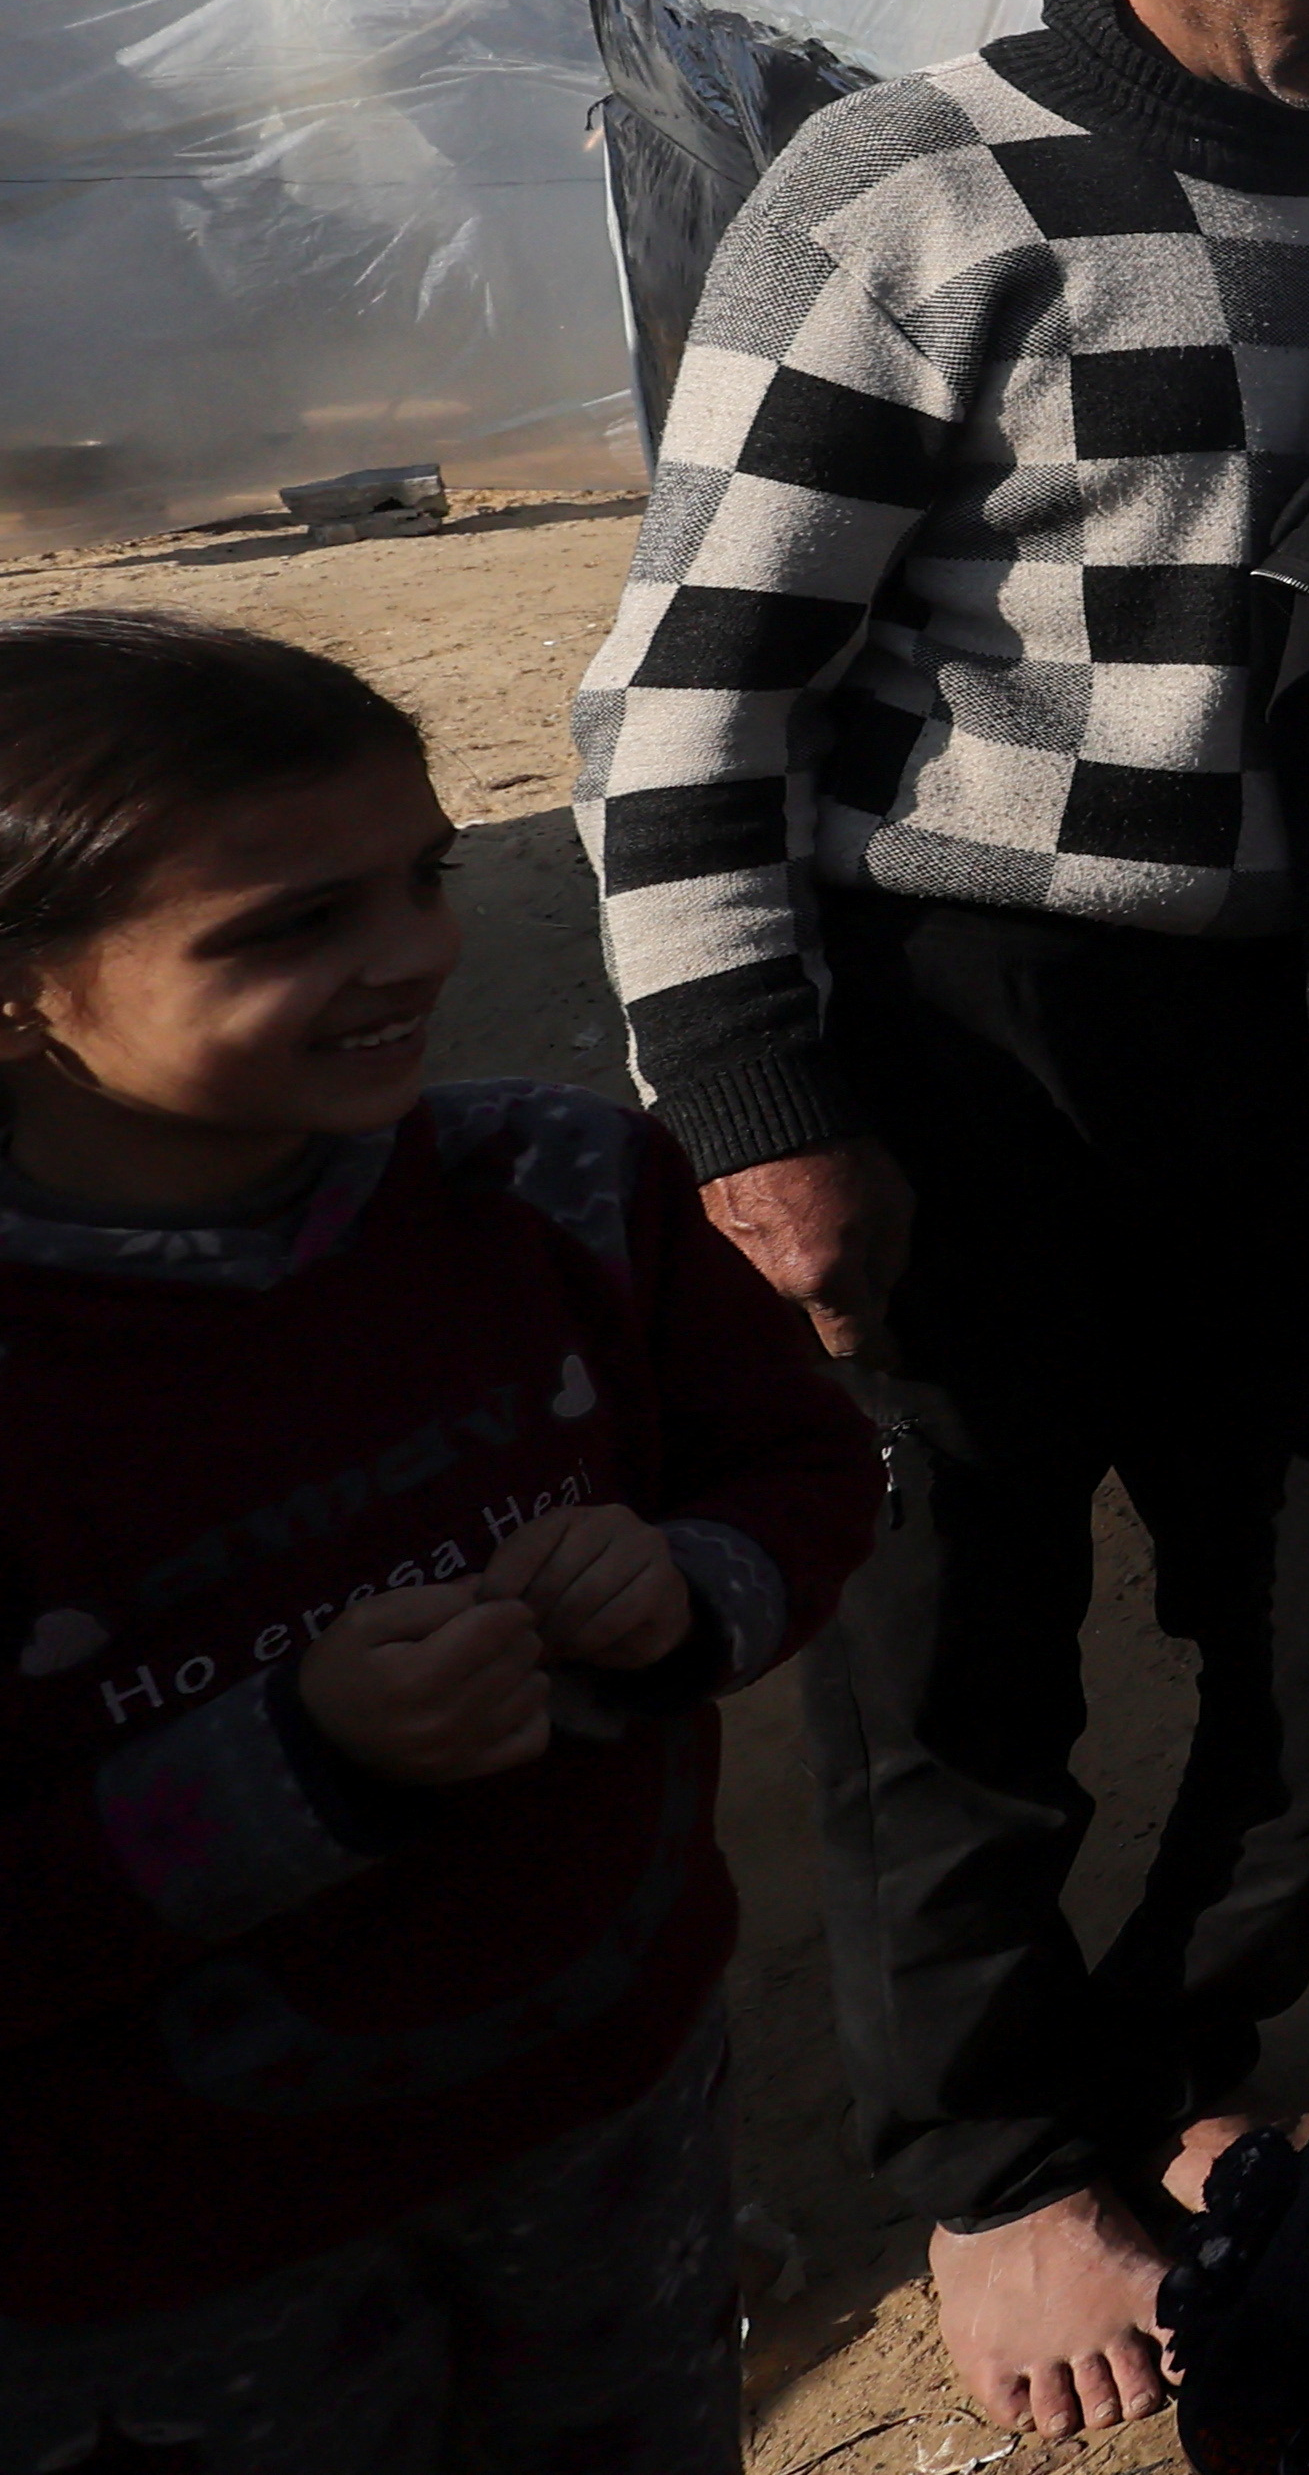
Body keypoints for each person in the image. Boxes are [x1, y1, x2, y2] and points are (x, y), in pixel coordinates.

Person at [573, 0, 1309, 2435]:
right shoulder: (910, 192)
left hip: (1297, 1020)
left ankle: (1154, 2063)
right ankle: (1002, 2169)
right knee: (957, 1647)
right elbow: (685, 694)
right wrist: (751, 1096)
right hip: (973, 1013)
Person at [0, 616, 876, 2475]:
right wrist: (293, 1762)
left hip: (610, 2119)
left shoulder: (558, 1187)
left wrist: (685, 1586)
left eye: (424, 876)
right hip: (159, 2268)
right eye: (294, 923)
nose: (415, 951)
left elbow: (801, 1468)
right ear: (21, 993)